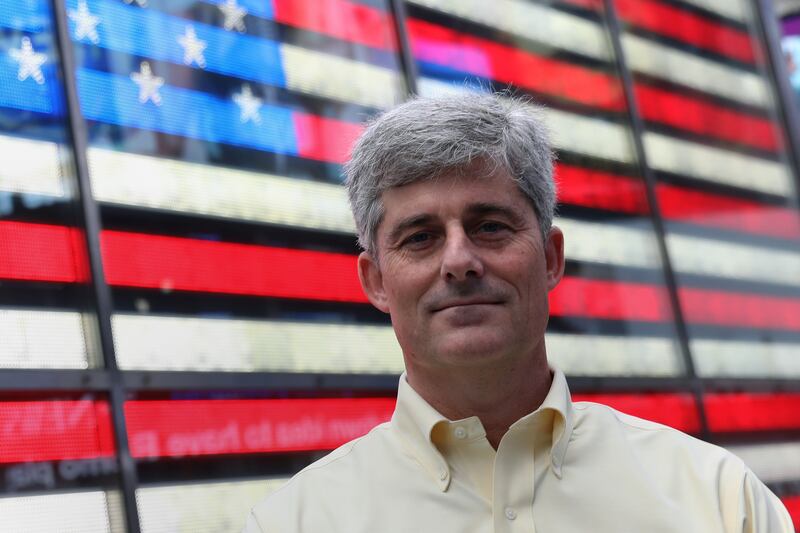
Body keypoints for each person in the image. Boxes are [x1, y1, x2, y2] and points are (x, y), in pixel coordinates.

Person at [243, 93, 793, 532]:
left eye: (490, 226)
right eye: (421, 237)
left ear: (551, 258)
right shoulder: (292, 523)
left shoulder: (720, 501)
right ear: (376, 281)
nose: (459, 260)